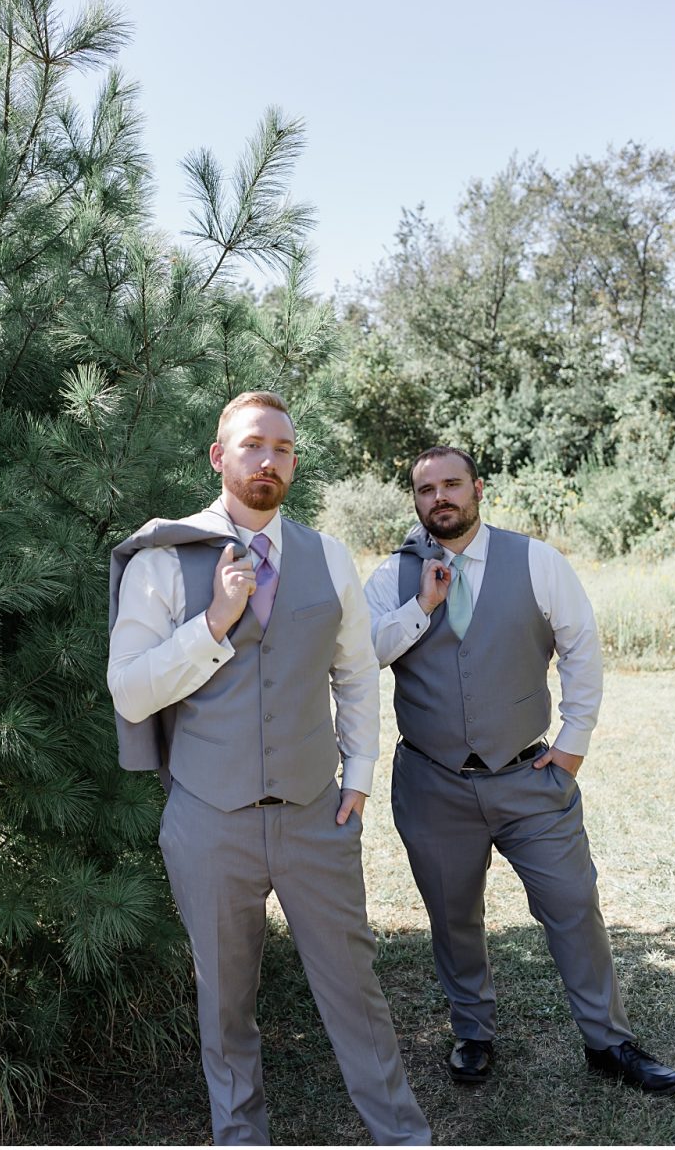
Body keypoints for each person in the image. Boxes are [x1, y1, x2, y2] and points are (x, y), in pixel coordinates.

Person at [107, 390, 430, 1146]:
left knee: (356, 991)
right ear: (221, 456)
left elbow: (354, 670)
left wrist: (359, 773)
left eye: (283, 448)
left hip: (317, 812)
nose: (269, 460)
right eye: (253, 445)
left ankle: (403, 1137)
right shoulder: (160, 559)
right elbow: (129, 690)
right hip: (207, 819)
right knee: (224, 1002)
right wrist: (213, 623)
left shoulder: (327, 555)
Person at [364, 445, 675, 1095]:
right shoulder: (390, 577)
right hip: (432, 782)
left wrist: (570, 744)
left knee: (572, 902)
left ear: (477, 488)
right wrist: (421, 606)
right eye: (427, 489)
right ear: (417, 500)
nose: (441, 498)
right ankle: (473, 1032)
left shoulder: (537, 561)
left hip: (529, 775)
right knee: (453, 917)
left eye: (452, 484)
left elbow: (582, 648)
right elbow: (363, 652)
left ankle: (608, 1040)